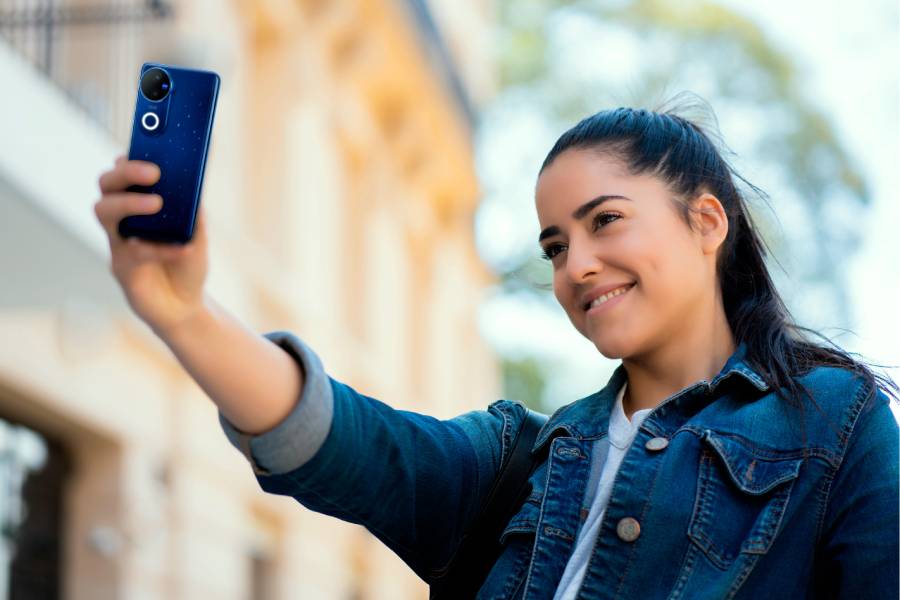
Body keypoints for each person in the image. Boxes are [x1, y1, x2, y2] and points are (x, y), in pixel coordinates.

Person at [93, 97, 899, 599]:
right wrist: (183, 313)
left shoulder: (836, 422)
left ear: (706, 223)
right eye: (554, 246)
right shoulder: (522, 457)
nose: (576, 264)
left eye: (605, 220)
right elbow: (344, 440)